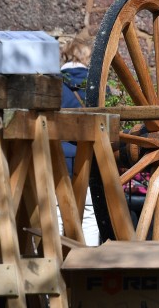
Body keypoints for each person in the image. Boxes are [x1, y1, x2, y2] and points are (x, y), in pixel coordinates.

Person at [59, 32, 100, 246]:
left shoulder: (53, 85)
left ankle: (56, 265)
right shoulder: (98, 87)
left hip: (58, 159)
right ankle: (88, 264)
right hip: (90, 160)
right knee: (89, 212)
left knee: (57, 210)